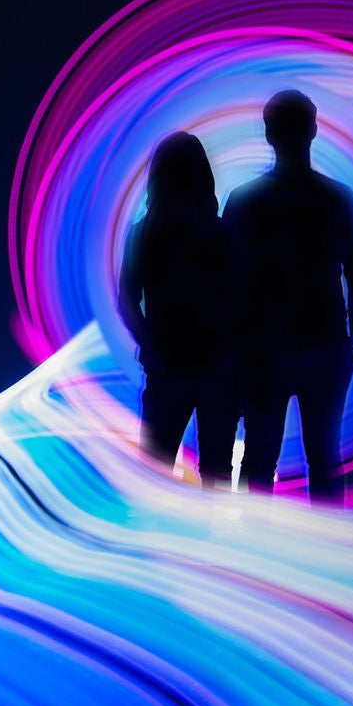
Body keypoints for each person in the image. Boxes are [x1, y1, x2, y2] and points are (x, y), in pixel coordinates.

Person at [223, 90, 353, 503]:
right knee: (323, 457)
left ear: (268, 133)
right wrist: (351, 341)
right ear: (313, 130)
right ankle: (325, 550)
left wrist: (232, 349)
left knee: (259, 458)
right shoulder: (337, 198)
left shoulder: (244, 200)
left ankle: (254, 551)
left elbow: (225, 280)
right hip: (322, 344)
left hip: (262, 350)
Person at [117, 131, 238, 487]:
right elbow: (240, 300)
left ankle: (153, 539)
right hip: (216, 369)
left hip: (169, 370)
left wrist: (152, 345)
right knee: (215, 474)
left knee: (154, 474)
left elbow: (126, 298)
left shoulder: (144, 234)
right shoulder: (222, 236)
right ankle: (210, 541)